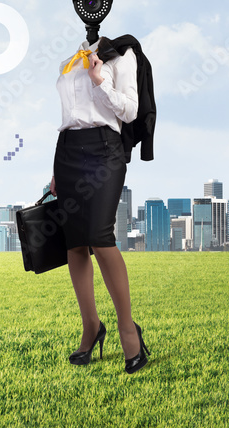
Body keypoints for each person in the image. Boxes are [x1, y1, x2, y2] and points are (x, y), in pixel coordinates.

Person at [50, 35, 151, 374]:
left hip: (104, 149)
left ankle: (128, 330)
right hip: (67, 150)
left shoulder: (120, 55)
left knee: (100, 236)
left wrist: (100, 81)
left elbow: (131, 110)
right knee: (75, 243)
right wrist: (55, 172)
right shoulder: (69, 59)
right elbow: (69, 115)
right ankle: (91, 327)